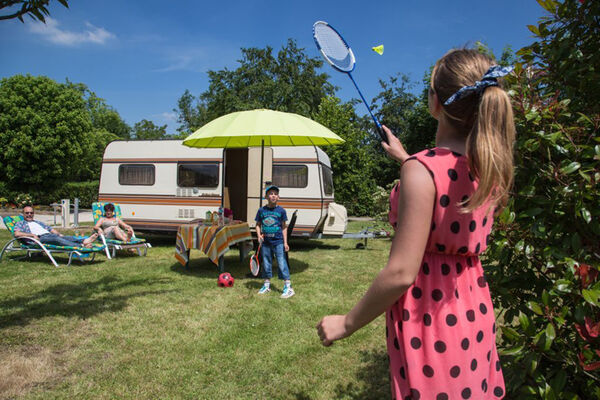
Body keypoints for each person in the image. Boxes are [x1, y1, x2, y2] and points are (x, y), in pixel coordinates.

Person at [316, 48, 515, 399]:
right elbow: (446, 195)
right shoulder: (489, 171)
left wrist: (346, 323)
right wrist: (407, 160)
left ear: (435, 102)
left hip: (431, 323)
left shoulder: (422, 172)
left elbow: (401, 274)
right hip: (473, 315)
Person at [255, 185, 294, 299]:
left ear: (278, 197)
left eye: (275, 194)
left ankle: (288, 287)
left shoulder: (281, 211)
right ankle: (266, 285)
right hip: (266, 242)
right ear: (266, 196)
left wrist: (285, 243)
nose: (273, 196)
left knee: (281, 263)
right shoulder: (261, 211)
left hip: (278, 242)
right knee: (266, 263)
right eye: (271, 193)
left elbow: (284, 227)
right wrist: (258, 236)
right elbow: (258, 225)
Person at [14, 205, 98, 248]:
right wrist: (32, 235)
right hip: (39, 239)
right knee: (56, 239)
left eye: (31, 213)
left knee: (64, 237)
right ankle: (82, 246)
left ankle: (84, 240)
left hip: (48, 235)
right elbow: (17, 233)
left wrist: (58, 233)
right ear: (23, 214)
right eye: (27, 213)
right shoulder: (20, 223)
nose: (29, 214)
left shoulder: (38, 222)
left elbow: (50, 229)